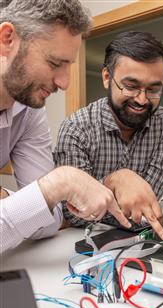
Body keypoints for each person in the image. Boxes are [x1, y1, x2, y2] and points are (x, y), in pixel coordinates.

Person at [0, 0, 131, 254]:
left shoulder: (29, 111)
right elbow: (43, 200)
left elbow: (48, 222)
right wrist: (57, 184)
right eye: (54, 63)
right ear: (7, 39)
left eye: (68, 66)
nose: (65, 83)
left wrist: (6, 197)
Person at [55, 31, 163, 239]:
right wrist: (114, 180)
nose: (142, 100)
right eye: (131, 87)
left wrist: (96, 198)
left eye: (153, 89)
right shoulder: (75, 128)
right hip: (86, 244)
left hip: (138, 244)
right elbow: (74, 213)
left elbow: (143, 208)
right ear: (107, 77)